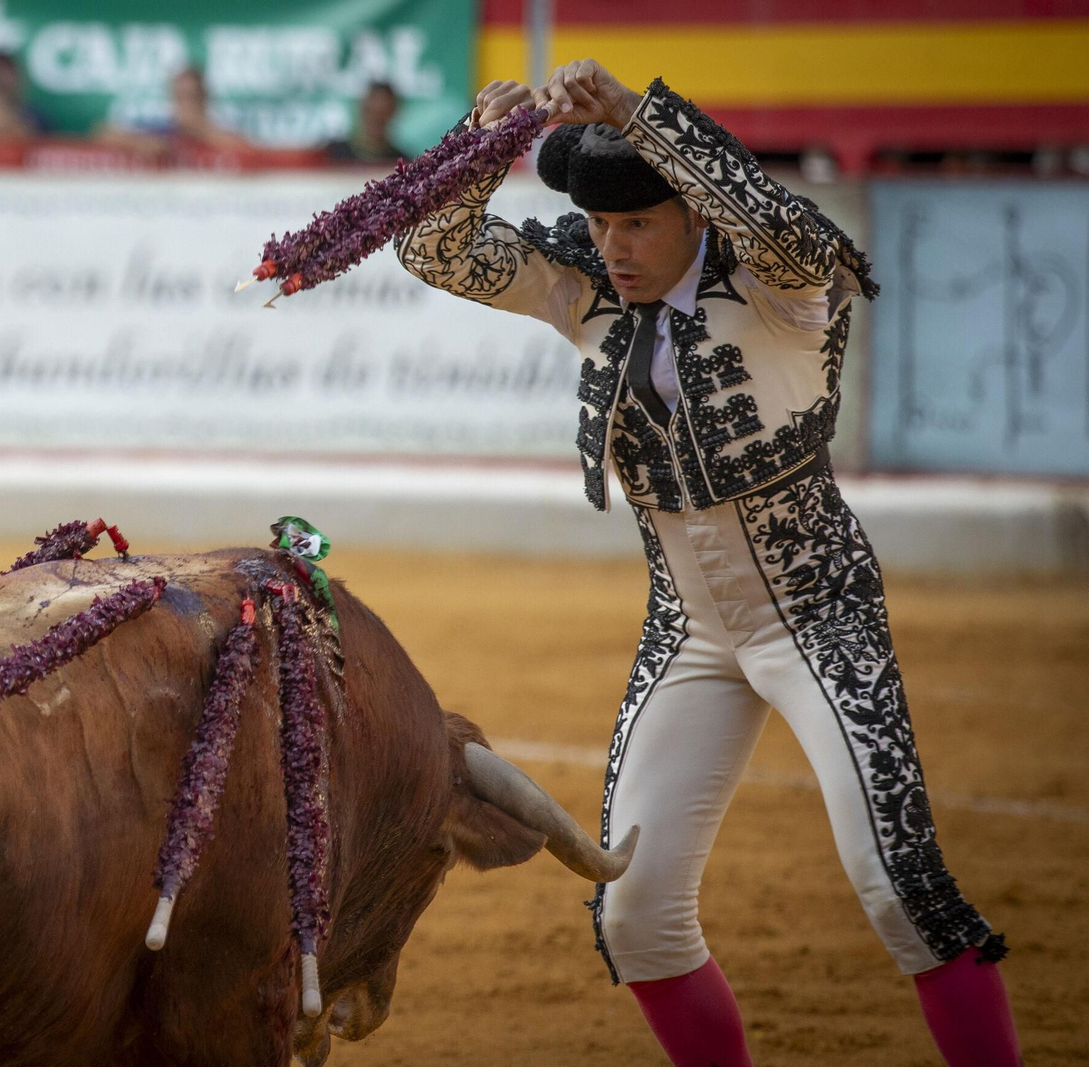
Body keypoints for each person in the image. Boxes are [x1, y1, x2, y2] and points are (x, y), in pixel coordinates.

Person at [395, 60, 1022, 1067]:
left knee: (897, 882)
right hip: (688, 629)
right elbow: (431, 248)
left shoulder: (785, 283)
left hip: (821, 613)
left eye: (636, 223)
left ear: (691, 209)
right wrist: (484, 141)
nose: (612, 248)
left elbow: (776, 217)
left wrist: (642, 116)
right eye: (598, 226)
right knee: (634, 914)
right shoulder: (587, 285)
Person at [94, 66, 253, 161]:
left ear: (205, 97)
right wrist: (139, 144)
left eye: (192, 96)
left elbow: (248, 150)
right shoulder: (163, 127)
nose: (186, 104)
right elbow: (103, 132)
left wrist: (198, 130)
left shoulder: (220, 128)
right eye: (180, 96)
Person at [324, 82, 408, 165]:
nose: (376, 118)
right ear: (361, 109)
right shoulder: (331, 154)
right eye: (371, 111)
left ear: (393, 113)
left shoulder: (401, 163)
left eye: (383, 112)